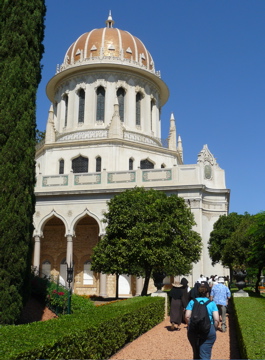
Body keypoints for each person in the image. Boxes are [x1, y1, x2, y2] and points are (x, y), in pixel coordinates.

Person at [185, 285, 219, 360]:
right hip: (208, 328)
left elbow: (187, 316)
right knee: (205, 353)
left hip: (194, 329)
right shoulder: (212, 303)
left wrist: (190, 325)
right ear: (207, 293)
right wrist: (214, 327)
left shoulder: (192, 302)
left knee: (196, 351)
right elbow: (216, 319)